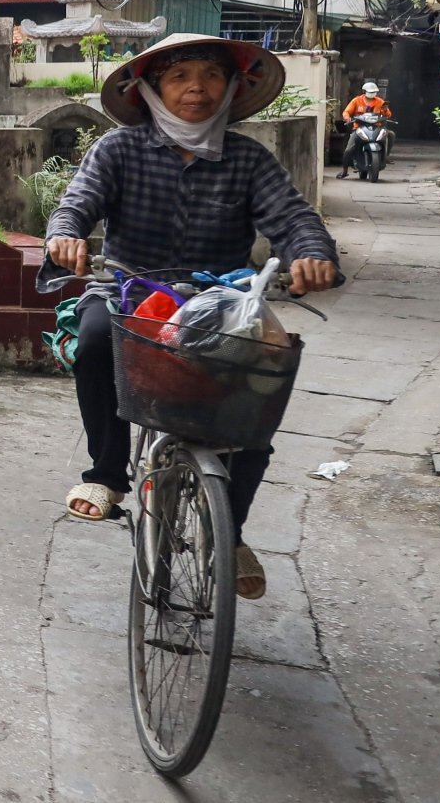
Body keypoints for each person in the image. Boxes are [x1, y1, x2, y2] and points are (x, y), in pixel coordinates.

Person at [42, 34, 339, 602]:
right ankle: (106, 475)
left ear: (231, 87)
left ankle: (231, 532)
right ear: (152, 90)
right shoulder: (118, 150)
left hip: (221, 300)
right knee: (97, 339)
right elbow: (77, 202)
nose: (196, 88)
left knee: (261, 380)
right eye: (179, 77)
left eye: (209, 75)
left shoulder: (249, 159)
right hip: (131, 288)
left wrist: (313, 254)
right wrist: (65, 235)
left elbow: (293, 217)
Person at [337, 81, 393, 180]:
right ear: (364, 91)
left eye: (374, 92)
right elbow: (346, 112)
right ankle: (345, 170)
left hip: (376, 127)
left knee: (391, 134)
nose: (372, 94)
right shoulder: (356, 101)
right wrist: (347, 118)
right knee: (348, 149)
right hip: (359, 127)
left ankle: (386, 155)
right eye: (370, 92)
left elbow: (388, 115)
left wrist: (385, 109)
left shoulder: (380, 101)